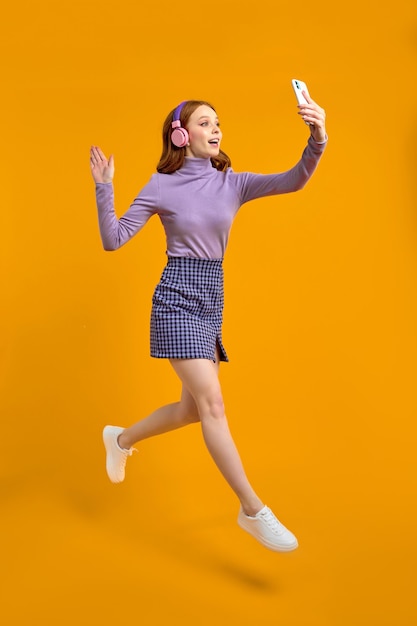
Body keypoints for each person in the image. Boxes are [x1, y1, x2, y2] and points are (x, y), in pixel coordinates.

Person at [90, 91, 327, 552]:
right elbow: (113, 239)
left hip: (211, 299)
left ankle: (120, 439)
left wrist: (317, 137)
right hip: (175, 299)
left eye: (218, 122)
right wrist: (105, 188)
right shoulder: (161, 186)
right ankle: (253, 509)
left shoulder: (232, 183)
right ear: (180, 134)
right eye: (204, 122)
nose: (216, 129)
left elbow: (294, 180)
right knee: (214, 405)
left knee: (193, 410)